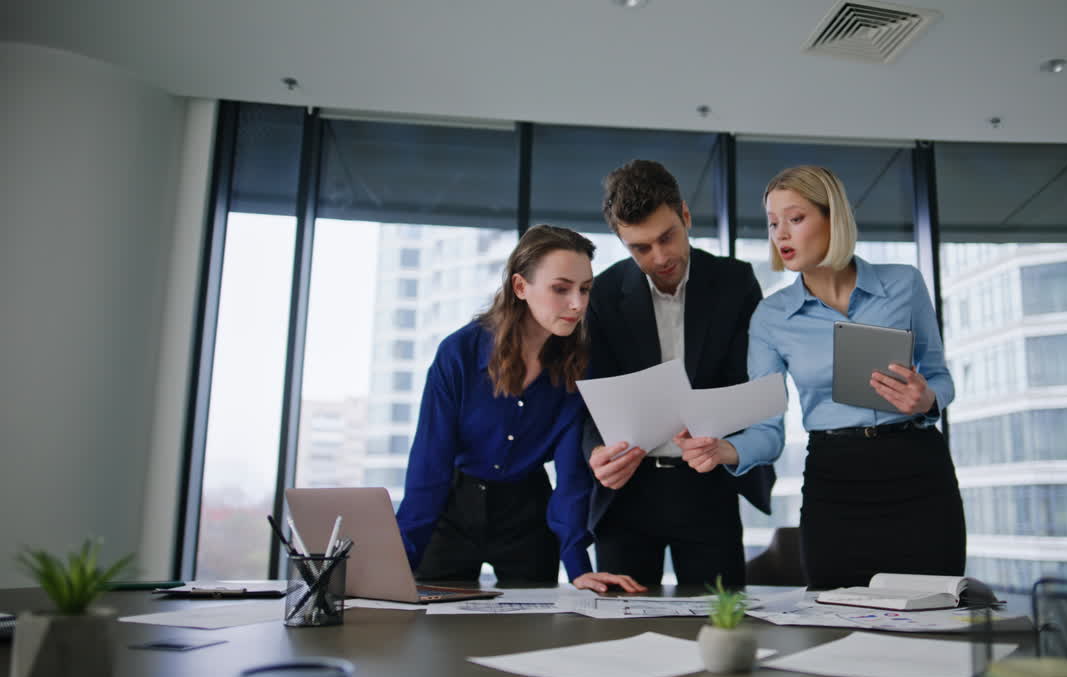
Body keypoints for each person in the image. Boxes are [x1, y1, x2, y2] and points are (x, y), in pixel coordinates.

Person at [675, 165, 965, 589]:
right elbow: (767, 431)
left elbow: (940, 377)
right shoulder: (771, 317)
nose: (781, 234)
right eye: (773, 223)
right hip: (836, 485)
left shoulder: (904, 284)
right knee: (833, 616)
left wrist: (926, 400)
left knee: (934, 613)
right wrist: (727, 450)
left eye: (795, 219)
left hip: (919, 474)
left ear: (834, 219)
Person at [396, 224, 644, 593]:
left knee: (531, 622)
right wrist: (397, 565)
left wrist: (577, 565)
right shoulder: (459, 354)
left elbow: (571, 474)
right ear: (520, 287)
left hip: (528, 515)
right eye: (561, 289)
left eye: (585, 289)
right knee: (434, 618)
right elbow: (429, 466)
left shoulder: (580, 362)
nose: (578, 304)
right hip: (453, 509)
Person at [583, 159, 775, 587]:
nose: (660, 257)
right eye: (640, 248)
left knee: (719, 618)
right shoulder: (603, 294)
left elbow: (750, 383)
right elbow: (592, 397)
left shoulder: (735, 282)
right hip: (627, 491)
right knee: (620, 621)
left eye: (667, 236)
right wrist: (596, 452)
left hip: (708, 483)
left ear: (685, 216)